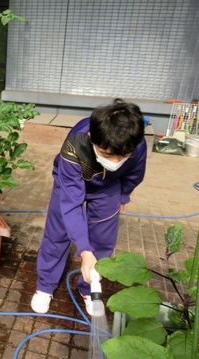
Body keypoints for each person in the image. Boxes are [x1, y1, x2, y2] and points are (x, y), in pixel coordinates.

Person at [30, 98, 147, 315]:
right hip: (70, 182)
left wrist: (123, 196)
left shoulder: (135, 142)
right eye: (107, 154)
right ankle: (45, 285)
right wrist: (83, 249)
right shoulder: (75, 146)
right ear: (93, 138)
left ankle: (90, 287)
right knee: (58, 233)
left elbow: (135, 173)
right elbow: (72, 204)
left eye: (123, 156)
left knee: (103, 239)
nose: (115, 161)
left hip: (109, 187)